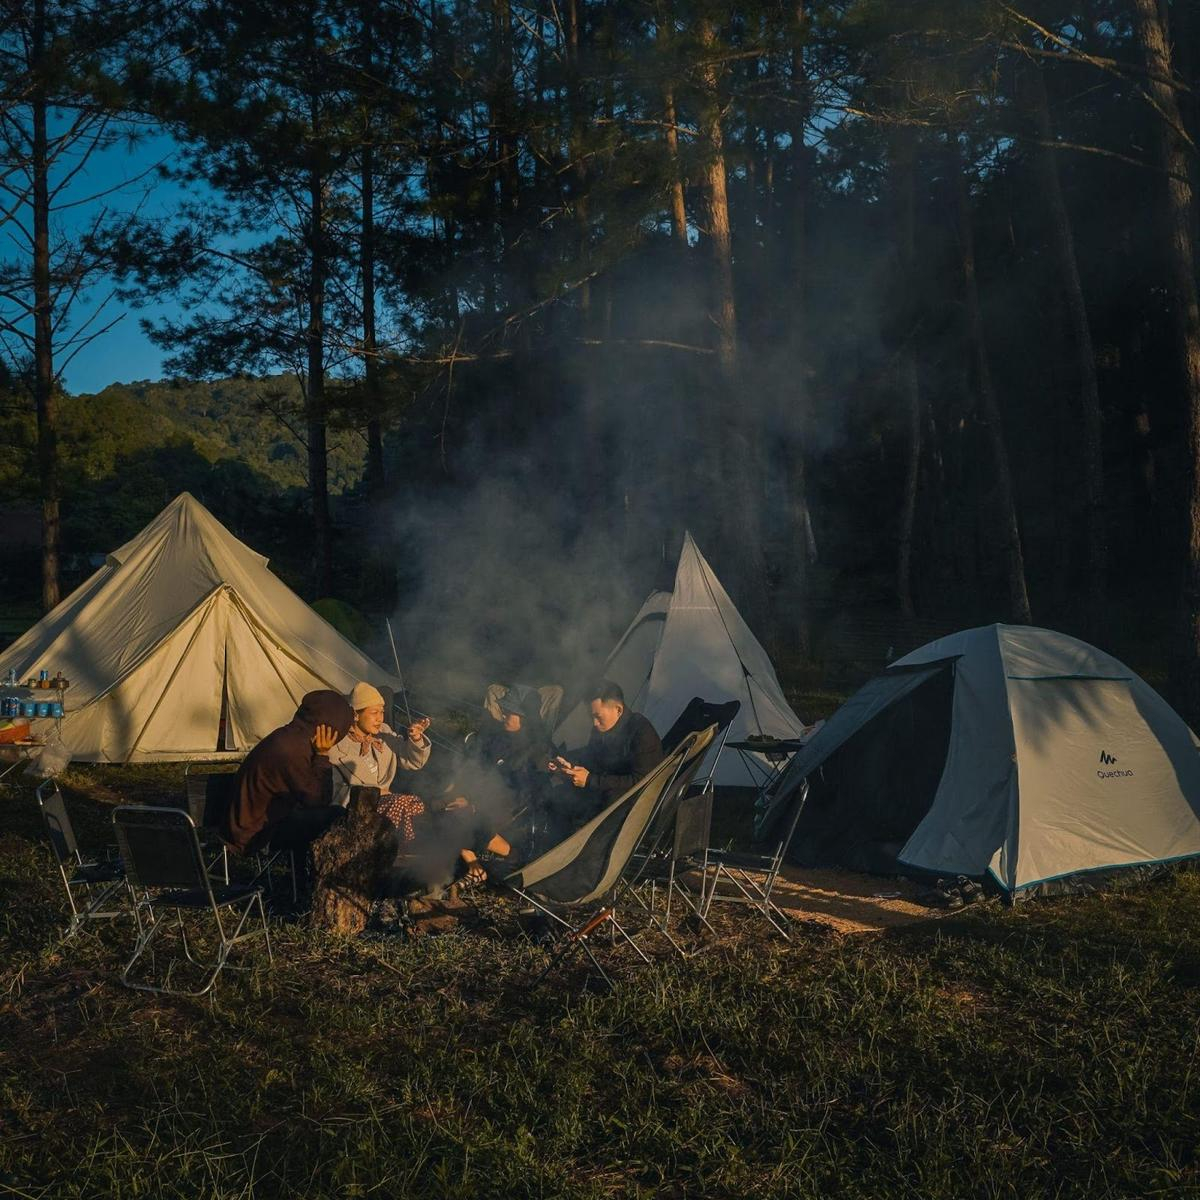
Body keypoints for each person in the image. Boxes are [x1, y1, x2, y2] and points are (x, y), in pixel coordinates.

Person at [222, 689, 354, 858]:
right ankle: (319, 878)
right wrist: (322, 756)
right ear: (329, 727)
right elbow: (318, 799)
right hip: (254, 834)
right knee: (336, 818)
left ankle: (303, 878)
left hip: (259, 823)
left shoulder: (292, 737)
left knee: (322, 817)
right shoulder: (291, 750)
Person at [551, 680, 664, 815]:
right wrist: (568, 765)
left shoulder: (641, 732)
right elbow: (592, 756)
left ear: (618, 710)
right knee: (556, 797)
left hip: (635, 805)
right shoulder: (601, 729)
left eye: (598, 716)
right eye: (591, 716)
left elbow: (642, 782)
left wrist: (590, 780)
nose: (594, 723)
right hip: (605, 791)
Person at [327, 682, 432, 805]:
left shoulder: (384, 732)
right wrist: (375, 794)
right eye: (374, 713)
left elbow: (413, 761)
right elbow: (335, 793)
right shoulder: (336, 747)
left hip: (386, 807)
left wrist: (416, 738)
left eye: (382, 712)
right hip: (357, 812)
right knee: (403, 805)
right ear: (355, 715)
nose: (380, 718)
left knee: (416, 804)